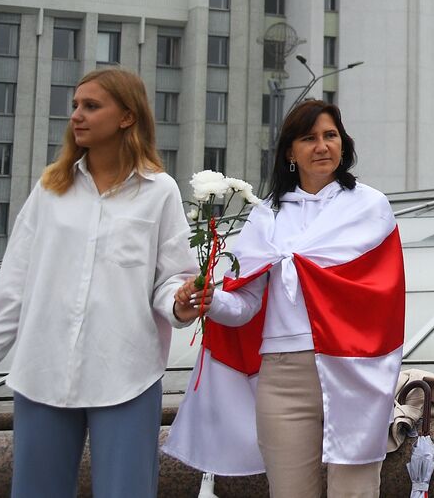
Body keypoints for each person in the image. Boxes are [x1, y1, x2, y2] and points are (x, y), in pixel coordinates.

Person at [0, 67, 196, 498]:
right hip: (43, 370)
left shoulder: (160, 191)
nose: (77, 115)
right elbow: (15, 284)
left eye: (91, 106)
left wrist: (180, 303)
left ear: (127, 116)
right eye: (76, 106)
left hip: (127, 374)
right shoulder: (50, 188)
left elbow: (172, 279)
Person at [164, 100, 405, 498]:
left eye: (331, 136)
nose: (322, 146)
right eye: (309, 138)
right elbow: (245, 306)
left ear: (343, 144)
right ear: (290, 152)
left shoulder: (370, 205)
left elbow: (382, 296)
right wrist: (212, 300)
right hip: (281, 377)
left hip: (354, 371)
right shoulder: (265, 216)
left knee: (356, 492)